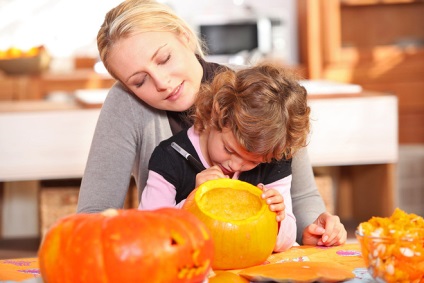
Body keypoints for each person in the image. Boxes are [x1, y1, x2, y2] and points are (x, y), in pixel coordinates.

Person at [77, 0, 347, 246]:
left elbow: (300, 197)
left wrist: (314, 228)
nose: (162, 83)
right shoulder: (125, 104)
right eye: (139, 81)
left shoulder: (258, 92)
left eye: (164, 59)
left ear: (184, 37)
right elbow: (94, 217)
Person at [139, 63, 310, 252]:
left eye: (253, 161)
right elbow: (149, 235)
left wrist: (278, 218)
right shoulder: (169, 157)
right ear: (216, 114)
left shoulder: (273, 159)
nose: (236, 165)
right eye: (229, 149)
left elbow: (285, 243)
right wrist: (193, 203)